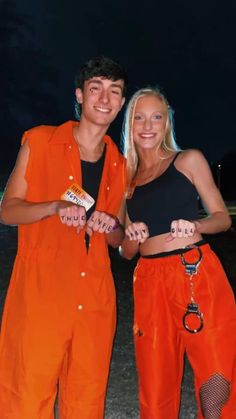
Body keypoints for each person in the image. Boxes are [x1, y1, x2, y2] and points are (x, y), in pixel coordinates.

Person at [0, 55, 127, 419]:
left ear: (120, 102)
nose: (105, 98)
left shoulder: (119, 163)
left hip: (95, 298)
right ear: (80, 96)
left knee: (86, 399)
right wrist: (53, 207)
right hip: (41, 293)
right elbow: (8, 210)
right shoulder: (40, 142)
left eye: (114, 91)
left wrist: (110, 225)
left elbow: (118, 238)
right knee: (27, 395)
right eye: (96, 88)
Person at [120, 86, 236, 418]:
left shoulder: (188, 160)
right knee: (156, 388)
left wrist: (196, 226)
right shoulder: (124, 179)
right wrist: (130, 234)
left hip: (196, 275)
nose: (147, 125)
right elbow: (126, 252)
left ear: (167, 122)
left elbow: (222, 219)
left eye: (156, 117)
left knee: (217, 383)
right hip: (149, 281)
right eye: (139, 118)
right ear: (129, 124)